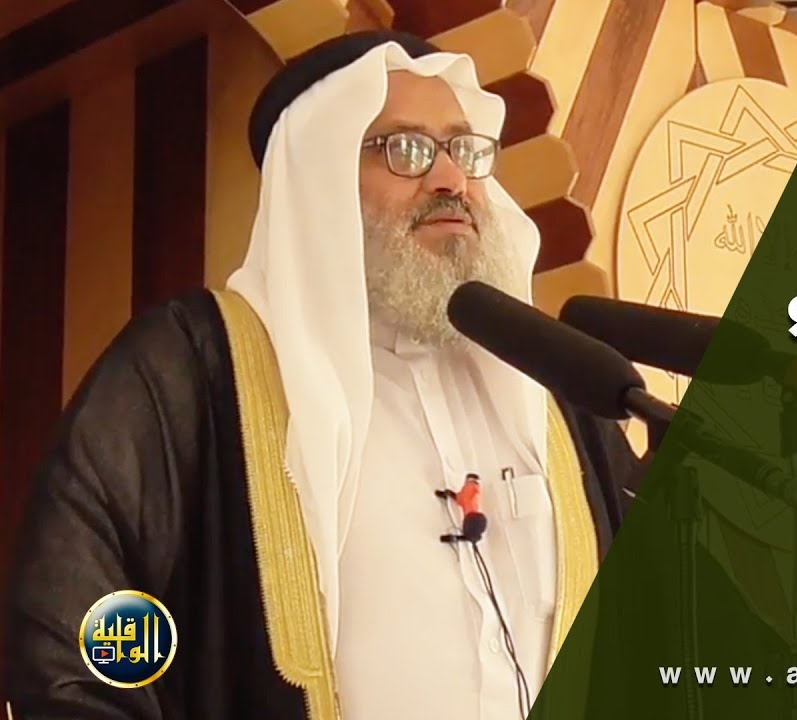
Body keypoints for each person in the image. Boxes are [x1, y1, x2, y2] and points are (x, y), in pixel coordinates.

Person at [2, 31, 640, 720]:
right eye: (406, 150)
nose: (450, 180)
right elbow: (75, 634)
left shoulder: (555, 393)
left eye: (463, 150)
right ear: (320, 178)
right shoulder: (193, 371)